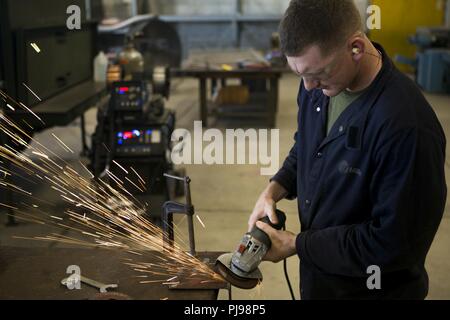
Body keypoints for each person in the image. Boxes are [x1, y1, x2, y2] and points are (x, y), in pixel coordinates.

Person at [248, 0, 447, 300]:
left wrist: (298, 245)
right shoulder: (318, 86)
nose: (308, 86)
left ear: (355, 48)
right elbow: (306, 145)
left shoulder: (407, 127)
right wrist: (274, 189)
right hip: (321, 282)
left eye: (317, 73)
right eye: (300, 74)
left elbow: (392, 245)